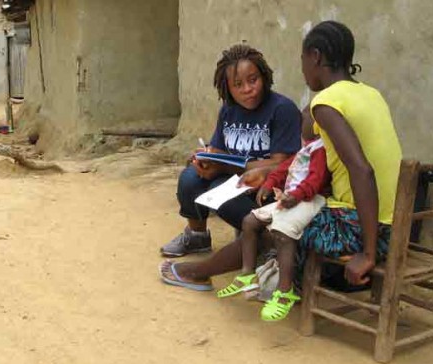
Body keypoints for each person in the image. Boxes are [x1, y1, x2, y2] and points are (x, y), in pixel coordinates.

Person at [160, 20, 402, 303]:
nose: (302, 69)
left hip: (359, 227)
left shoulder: (326, 103)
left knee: (267, 225)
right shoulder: (370, 94)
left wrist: (368, 254)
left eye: (302, 60)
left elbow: (362, 170)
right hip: (390, 222)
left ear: (315, 57)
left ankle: (199, 272)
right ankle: (240, 271)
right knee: (278, 214)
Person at [160, 44, 302, 258]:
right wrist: (205, 159)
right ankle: (197, 237)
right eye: (238, 84)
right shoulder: (229, 109)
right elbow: (218, 149)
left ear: (263, 77)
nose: (247, 89)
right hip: (234, 176)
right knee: (190, 177)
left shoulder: (281, 109)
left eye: (253, 80)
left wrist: (226, 165)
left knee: (219, 190)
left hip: (268, 186)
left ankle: (264, 241)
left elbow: (280, 165)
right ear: (227, 87)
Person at [214, 112, 329, 322]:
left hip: (309, 200)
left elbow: (315, 181)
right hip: (290, 199)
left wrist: (295, 196)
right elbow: (283, 169)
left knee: (282, 233)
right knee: (249, 221)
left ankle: (285, 291)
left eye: (304, 124)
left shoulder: (321, 150)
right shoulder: (305, 149)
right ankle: (247, 274)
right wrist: (268, 184)